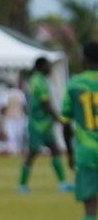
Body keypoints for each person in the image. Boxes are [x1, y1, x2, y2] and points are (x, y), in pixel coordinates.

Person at [61, 41, 98, 220]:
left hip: (86, 152)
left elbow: (65, 122)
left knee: (90, 208)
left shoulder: (75, 84)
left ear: (84, 59)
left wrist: (69, 151)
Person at [19, 57, 71, 193]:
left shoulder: (36, 80)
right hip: (38, 123)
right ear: (41, 66)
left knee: (55, 150)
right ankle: (22, 185)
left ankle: (62, 183)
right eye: (48, 66)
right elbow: (45, 104)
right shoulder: (39, 81)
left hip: (44, 123)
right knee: (32, 153)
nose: (50, 69)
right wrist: (59, 119)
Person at [4, 81, 27, 155]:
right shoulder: (20, 93)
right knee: (19, 133)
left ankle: (13, 150)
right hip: (19, 116)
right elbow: (24, 106)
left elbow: (3, 106)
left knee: (11, 134)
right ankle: (19, 149)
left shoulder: (6, 93)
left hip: (9, 116)